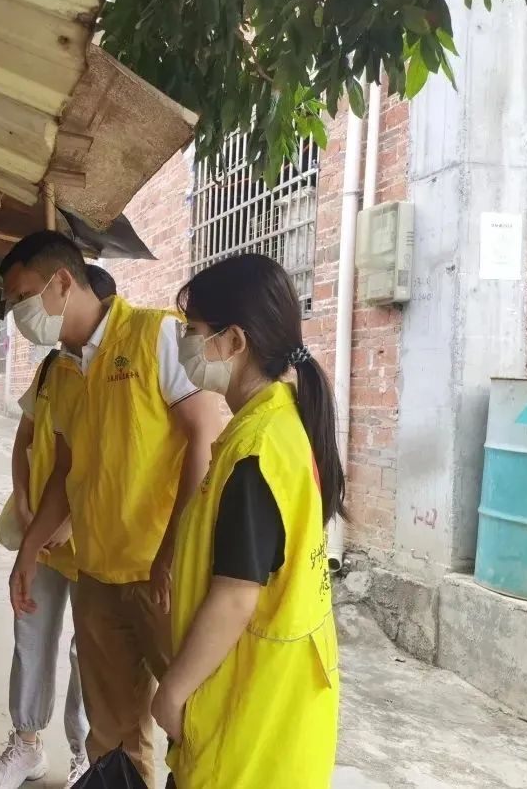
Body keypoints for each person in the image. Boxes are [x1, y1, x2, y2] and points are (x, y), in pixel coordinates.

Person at [3, 232, 224, 786]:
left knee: (194, 721)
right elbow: (65, 470)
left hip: (161, 575)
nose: (18, 313)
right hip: (97, 574)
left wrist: (172, 551)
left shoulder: (156, 336)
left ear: (62, 282)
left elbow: (204, 437)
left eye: (23, 297)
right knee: (112, 734)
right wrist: (29, 550)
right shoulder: (63, 369)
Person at [152, 254, 342, 788]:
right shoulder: (277, 422)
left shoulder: (256, 450)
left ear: (234, 341)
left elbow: (236, 597)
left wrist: (172, 693)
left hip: (252, 714)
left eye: (193, 331)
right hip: (278, 703)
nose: (184, 344)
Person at [0, 264, 116, 789]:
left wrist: (73, 519)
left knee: (90, 652)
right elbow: (29, 441)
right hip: (42, 534)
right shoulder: (51, 371)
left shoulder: (119, 373)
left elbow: (114, 461)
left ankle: (84, 753)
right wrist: (23, 502)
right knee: (31, 635)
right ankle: (27, 744)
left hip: (96, 542)